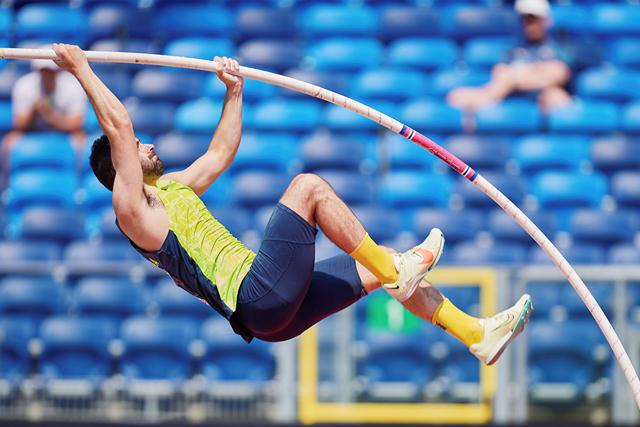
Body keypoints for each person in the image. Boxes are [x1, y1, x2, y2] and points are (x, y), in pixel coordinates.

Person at [52, 43, 532, 366]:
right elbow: (119, 128)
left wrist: (234, 92)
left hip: (274, 313)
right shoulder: (134, 213)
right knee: (308, 188)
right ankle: (398, 271)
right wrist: (82, 71)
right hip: (255, 296)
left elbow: (219, 153)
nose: (146, 144)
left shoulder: (174, 188)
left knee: (379, 266)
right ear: (120, 170)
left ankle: (475, 334)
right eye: (137, 149)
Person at [447, 0, 572, 113]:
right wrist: (538, 72)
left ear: (546, 20)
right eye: (526, 19)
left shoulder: (558, 50)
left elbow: (558, 75)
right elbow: (499, 76)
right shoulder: (512, 51)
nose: (530, 24)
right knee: (457, 96)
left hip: (541, 99)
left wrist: (514, 78)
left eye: (534, 19)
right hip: (508, 99)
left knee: (559, 99)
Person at [1, 52, 87, 180]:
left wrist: (51, 117)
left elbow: (77, 124)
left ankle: (79, 184)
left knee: (82, 141)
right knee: (8, 142)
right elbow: (18, 125)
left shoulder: (73, 86)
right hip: (32, 130)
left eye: (51, 71)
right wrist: (34, 111)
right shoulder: (24, 86)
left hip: (65, 133)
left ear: (57, 71)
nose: (47, 75)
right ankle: (6, 185)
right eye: (44, 71)